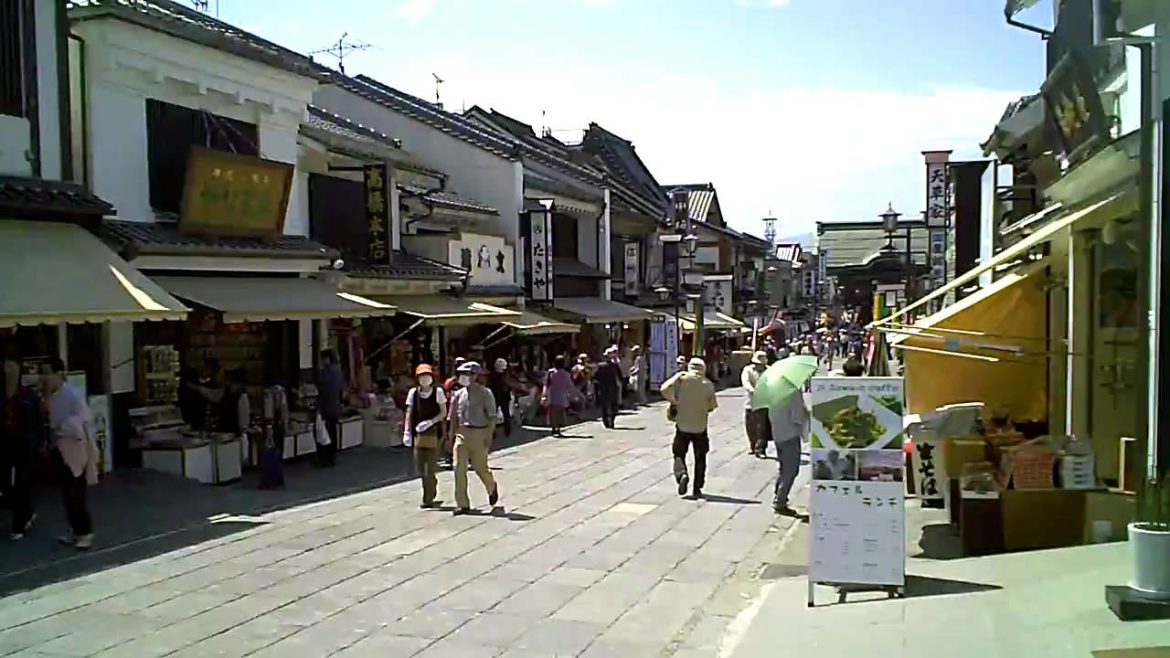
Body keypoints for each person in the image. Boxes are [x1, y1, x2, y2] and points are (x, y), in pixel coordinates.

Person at [41, 358, 98, 550]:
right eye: (42, 373)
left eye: (48, 373)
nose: (44, 378)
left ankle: (85, 531)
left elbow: (85, 419)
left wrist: (65, 428)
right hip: (59, 448)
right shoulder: (49, 397)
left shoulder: (72, 394)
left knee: (76, 492)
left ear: (59, 374)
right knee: (66, 492)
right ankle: (74, 529)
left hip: (75, 449)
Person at [661, 357, 718, 499]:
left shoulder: (681, 379)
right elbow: (712, 406)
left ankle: (682, 474)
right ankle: (697, 488)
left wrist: (674, 401)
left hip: (682, 425)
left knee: (678, 453)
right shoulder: (707, 384)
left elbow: (664, 389)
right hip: (700, 426)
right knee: (700, 457)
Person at [448, 361, 500, 514]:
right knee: (458, 468)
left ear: (476, 376)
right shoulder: (458, 394)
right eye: (462, 374)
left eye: (468, 374)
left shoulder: (485, 393)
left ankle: (491, 486)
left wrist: (489, 436)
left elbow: (492, 417)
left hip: (479, 432)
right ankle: (463, 503)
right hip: (462, 433)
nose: (464, 377)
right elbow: (453, 417)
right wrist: (450, 437)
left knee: (480, 467)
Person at [2, 353, 43, 540]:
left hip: (25, 443)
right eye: (5, 367)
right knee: (5, 482)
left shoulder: (28, 395)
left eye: (11, 366)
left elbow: (37, 421)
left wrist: (39, 443)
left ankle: (19, 522)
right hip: (5, 443)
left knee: (22, 482)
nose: (7, 371)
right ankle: (27, 510)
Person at [403, 364, 447, 509]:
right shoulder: (413, 393)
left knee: (430, 468)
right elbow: (409, 412)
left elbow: (443, 412)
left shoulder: (438, 392)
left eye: (427, 376)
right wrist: (407, 431)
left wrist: (430, 422)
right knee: (420, 468)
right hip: (418, 434)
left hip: (434, 434)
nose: (425, 379)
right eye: (422, 376)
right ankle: (430, 485)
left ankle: (428, 498)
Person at [769, 389, 810, 515]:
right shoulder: (793, 391)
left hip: (778, 433)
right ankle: (780, 501)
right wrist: (807, 414)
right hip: (790, 434)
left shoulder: (773, 390)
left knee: (783, 468)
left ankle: (778, 496)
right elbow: (797, 417)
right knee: (791, 470)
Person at [316, 349, 345, 467]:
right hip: (335, 405)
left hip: (326, 406)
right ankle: (332, 456)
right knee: (332, 430)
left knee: (323, 432)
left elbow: (322, 390)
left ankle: (325, 457)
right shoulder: (339, 372)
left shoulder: (325, 373)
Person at [740, 351, 770, 458]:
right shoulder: (748, 370)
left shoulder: (769, 370)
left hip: (764, 403)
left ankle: (760, 449)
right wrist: (752, 390)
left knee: (762, 428)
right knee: (750, 426)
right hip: (751, 402)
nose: (759, 366)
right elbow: (746, 382)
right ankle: (753, 445)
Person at [487, 358, 520, 438]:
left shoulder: (492, 376)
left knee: (494, 415)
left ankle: (493, 432)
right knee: (505, 414)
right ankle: (506, 431)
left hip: (496, 397)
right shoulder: (503, 376)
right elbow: (508, 385)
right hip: (502, 396)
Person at [542, 355, 573, 436]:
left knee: (552, 413)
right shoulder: (566, 374)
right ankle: (558, 428)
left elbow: (545, 383)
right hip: (562, 395)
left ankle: (553, 428)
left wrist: (544, 394)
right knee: (560, 413)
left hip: (551, 395)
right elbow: (569, 385)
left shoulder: (550, 372)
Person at [593, 346, 622, 429]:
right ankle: (611, 420)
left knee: (605, 406)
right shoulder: (614, 366)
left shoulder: (600, 366)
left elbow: (596, 377)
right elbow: (620, 377)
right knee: (614, 405)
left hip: (603, 388)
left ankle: (606, 421)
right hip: (612, 387)